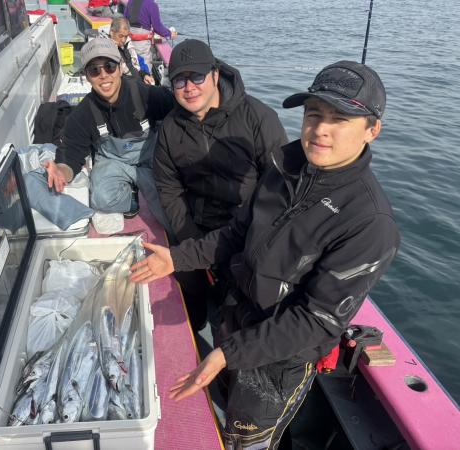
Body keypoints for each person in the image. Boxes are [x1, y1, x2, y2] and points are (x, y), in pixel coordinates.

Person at [131, 60, 400, 449]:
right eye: (313, 114)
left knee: (246, 439)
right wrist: (177, 258)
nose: (320, 129)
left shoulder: (369, 222)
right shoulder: (283, 166)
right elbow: (237, 233)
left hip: (278, 363)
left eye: (340, 119)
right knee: (221, 405)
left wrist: (228, 353)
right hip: (234, 317)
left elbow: (316, 320)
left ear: (372, 130)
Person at [154, 39, 288, 331]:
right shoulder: (170, 128)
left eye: (197, 77)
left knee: (237, 311)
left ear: (215, 75)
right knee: (183, 286)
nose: (189, 88)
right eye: (180, 80)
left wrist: (252, 238)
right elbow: (168, 187)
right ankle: (194, 323)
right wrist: (190, 238)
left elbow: (280, 187)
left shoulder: (258, 118)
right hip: (196, 229)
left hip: (246, 233)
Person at [43, 38, 174, 224]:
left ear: (120, 68)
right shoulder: (82, 114)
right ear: (87, 76)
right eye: (94, 70)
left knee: (170, 205)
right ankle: (131, 200)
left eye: (110, 66)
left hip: (150, 159)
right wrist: (61, 172)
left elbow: (178, 110)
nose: (103, 75)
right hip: (112, 164)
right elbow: (71, 155)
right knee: (101, 198)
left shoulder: (147, 95)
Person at [124, 0, 177, 68]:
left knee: (131, 64)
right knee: (145, 67)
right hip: (142, 44)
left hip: (129, 40)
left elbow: (124, 19)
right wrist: (170, 34)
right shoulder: (152, 4)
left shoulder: (130, 1)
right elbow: (157, 27)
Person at [109, 17, 155, 85]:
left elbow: (138, 61)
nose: (123, 40)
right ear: (112, 32)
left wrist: (144, 75)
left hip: (137, 80)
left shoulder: (127, 45)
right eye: (120, 36)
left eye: (126, 36)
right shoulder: (107, 51)